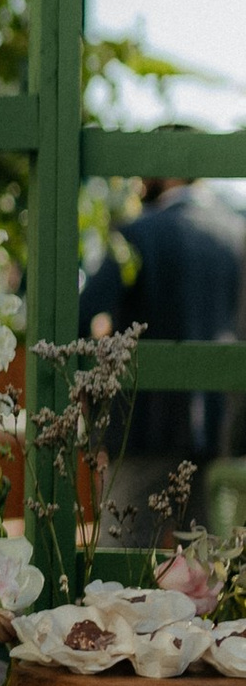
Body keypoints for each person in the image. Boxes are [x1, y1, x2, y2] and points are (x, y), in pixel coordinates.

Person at [78, 178, 243, 545]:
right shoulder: (238, 232)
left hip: (142, 424)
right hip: (218, 427)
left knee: (118, 563)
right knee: (206, 570)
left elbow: (85, 312)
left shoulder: (138, 232)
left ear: (167, 175)